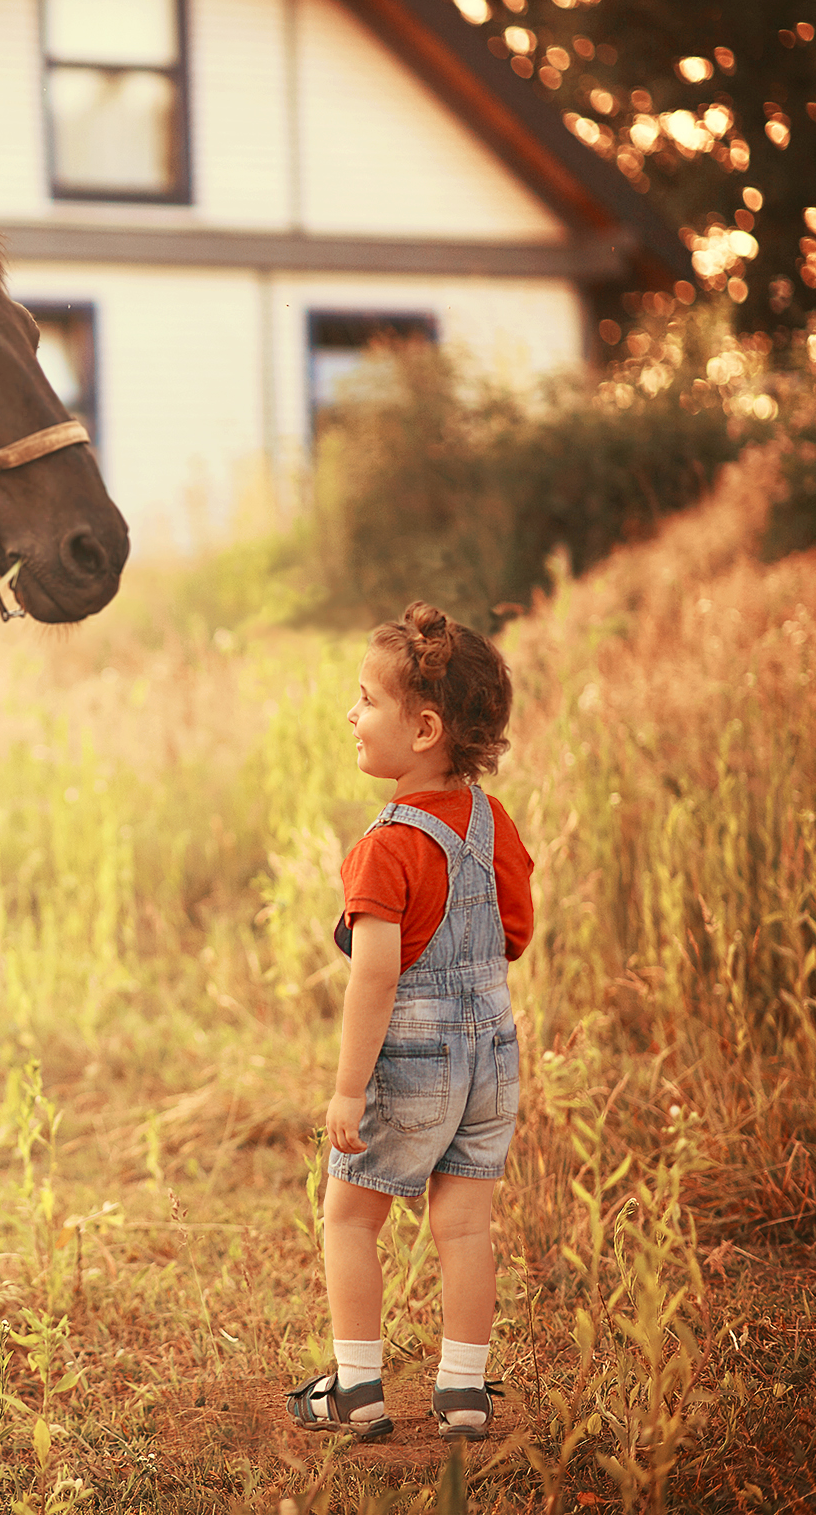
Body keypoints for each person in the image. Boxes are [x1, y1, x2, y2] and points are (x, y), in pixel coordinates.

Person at [286, 601, 533, 1443]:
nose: (350, 714)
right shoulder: (493, 823)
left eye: (365, 700)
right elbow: (516, 933)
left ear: (424, 727)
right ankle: (463, 1391)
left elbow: (377, 972)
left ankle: (357, 1385)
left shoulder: (384, 847)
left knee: (350, 1215)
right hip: (495, 1059)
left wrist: (349, 1088)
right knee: (465, 1225)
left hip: (415, 1065)